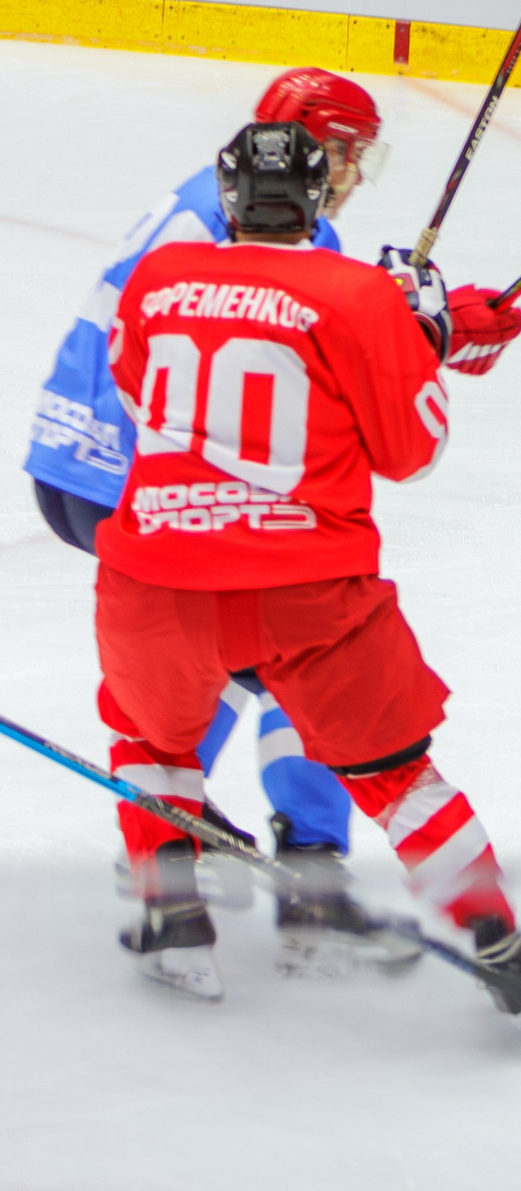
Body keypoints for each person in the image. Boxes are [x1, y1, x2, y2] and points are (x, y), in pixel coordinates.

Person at [94, 117, 521, 1007]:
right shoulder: (358, 295)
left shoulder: (159, 278)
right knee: (398, 774)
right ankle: (499, 942)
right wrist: (418, 341)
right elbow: (411, 451)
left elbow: (135, 390)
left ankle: (175, 922)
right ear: (317, 200)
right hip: (306, 590)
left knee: (152, 740)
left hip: (154, 575)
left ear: (228, 195)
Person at [28, 73, 393, 968]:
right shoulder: (285, 223)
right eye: (350, 152)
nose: (352, 175)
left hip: (82, 460)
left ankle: (182, 851)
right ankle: (282, 860)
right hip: (150, 477)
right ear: (315, 144)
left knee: (231, 652)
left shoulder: (212, 194)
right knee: (285, 643)